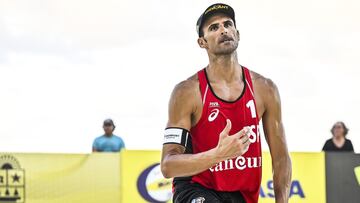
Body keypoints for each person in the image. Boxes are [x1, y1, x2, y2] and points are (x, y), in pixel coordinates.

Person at [160, 3, 291, 203]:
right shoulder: (187, 92)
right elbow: (168, 165)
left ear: (237, 34)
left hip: (241, 195)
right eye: (214, 27)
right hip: (196, 188)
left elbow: (281, 158)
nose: (223, 29)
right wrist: (218, 155)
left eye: (228, 24)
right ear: (202, 42)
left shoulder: (265, 89)